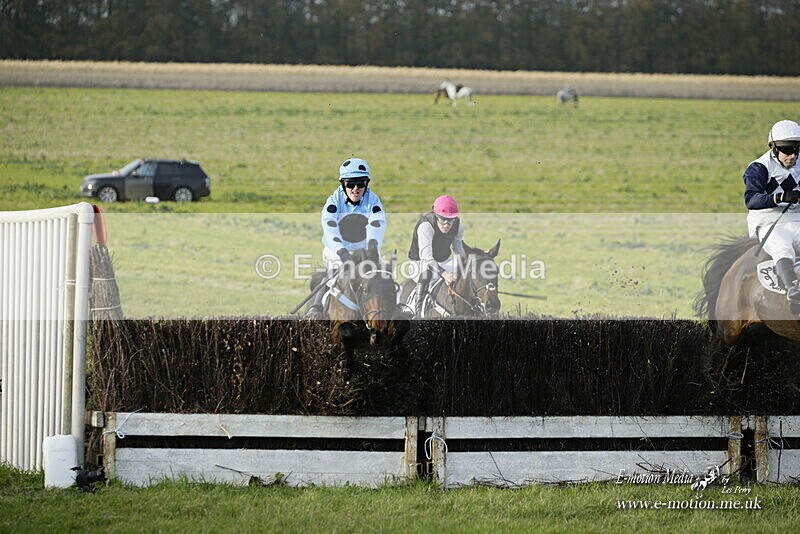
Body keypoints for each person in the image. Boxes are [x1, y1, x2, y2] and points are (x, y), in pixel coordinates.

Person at [306, 157, 386, 317]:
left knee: (381, 276)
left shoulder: (373, 201)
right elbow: (330, 227)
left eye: (360, 184)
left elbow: (377, 224)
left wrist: (372, 247)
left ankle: (392, 309)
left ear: (366, 184)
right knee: (334, 273)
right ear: (343, 184)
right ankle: (316, 307)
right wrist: (342, 252)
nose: (356, 189)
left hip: (363, 250)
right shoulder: (333, 202)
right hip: (336, 250)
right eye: (350, 184)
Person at [744, 119, 800, 305]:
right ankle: (792, 288)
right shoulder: (759, 167)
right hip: (769, 221)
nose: (792, 156)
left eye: (796, 150)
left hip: (797, 219)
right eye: (787, 150)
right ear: (773, 147)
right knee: (782, 246)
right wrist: (781, 197)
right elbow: (751, 199)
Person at [407, 195, 465, 317]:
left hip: (444, 261)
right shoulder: (426, 226)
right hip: (420, 263)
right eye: (443, 220)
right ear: (435, 215)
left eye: (450, 220)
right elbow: (427, 258)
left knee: (467, 271)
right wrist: (445, 274)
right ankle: (417, 311)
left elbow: (458, 249)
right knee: (426, 273)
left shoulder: (458, 225)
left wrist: (464, 265)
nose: (446, 224)